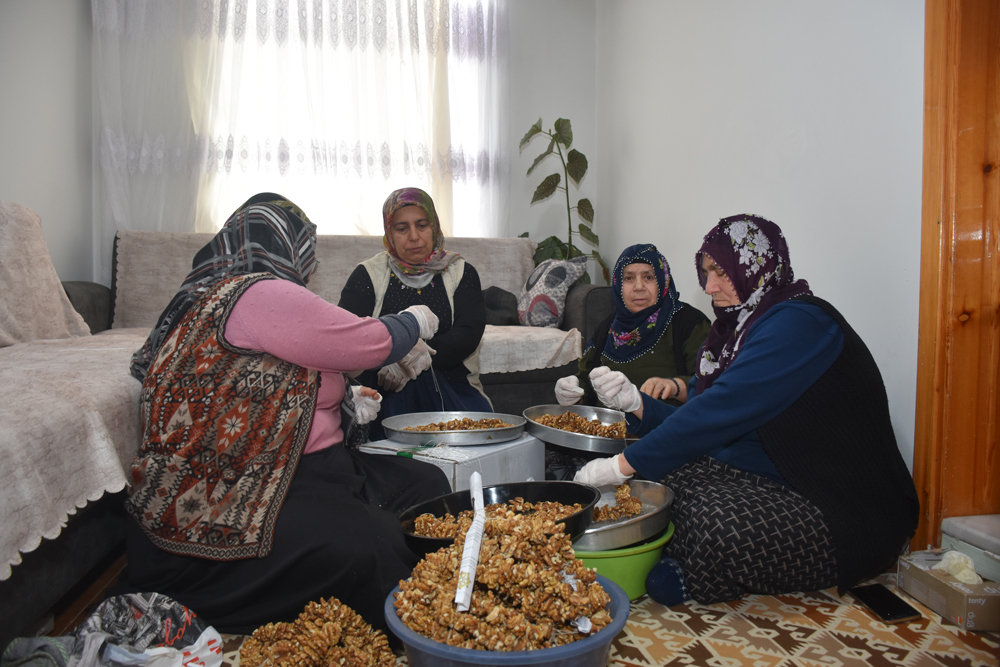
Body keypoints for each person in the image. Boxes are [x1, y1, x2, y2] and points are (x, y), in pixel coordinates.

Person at [120, 193, 452, 636]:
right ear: (287, 249)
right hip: (247, 485)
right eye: (307, 255)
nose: (309, 268)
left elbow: (264, 382)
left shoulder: (218, 300)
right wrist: (414, 320)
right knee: (374, 546)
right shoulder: (257, 292)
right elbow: (367, 343)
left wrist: (349, 397)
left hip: (306, 467)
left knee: (428, 488)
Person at [574, 214, 919, 607]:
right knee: (661, 479)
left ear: (757, 266)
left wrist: (620, 465)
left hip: (837, 500)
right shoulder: (735, 331)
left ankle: (701, 570)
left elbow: (718, 412)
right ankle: (686, 553)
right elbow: (701, 418)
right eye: (706, 273)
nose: (709, 286)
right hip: (767, 471)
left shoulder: (799, 322)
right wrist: (638, 404)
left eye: (721, 272)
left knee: (717, 526)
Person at [546, 243, 710, 480]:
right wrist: (571, 392)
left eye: (648, 277)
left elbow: (709, 388)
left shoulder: (688, 323)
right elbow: (584, 385)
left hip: (665, 444)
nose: (639, 287)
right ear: (617, 285)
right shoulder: (607, 328)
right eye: (629, 278)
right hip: (604, 443)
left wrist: (672, 385)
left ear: (663, 280)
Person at [339, 187, 491, 440]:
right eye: (402, 228)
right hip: (382, 391)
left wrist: (413, 359)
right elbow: (348, 338)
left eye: (422, 225)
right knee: (407, 392)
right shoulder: (367, 275)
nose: (414, 236)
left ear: (434, 227)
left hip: (453, 387)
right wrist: (392, 357)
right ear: (389, 233)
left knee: (420, 383)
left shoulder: (461, 272)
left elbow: (468, 334)